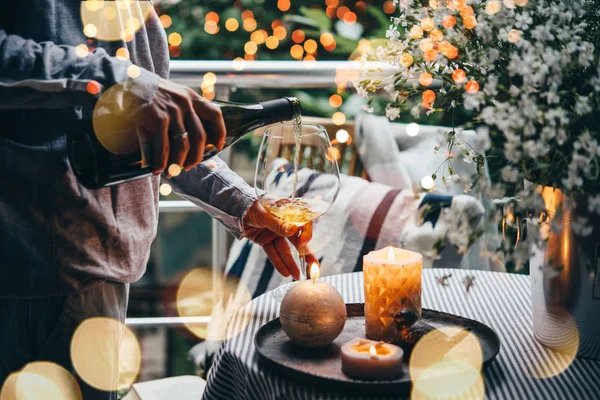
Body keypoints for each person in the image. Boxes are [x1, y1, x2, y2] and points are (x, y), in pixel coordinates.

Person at [0, 2, 313, 398]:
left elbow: (157, 138)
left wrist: (243, 204)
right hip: (39, 272)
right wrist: (114, 80)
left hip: (98, 270)